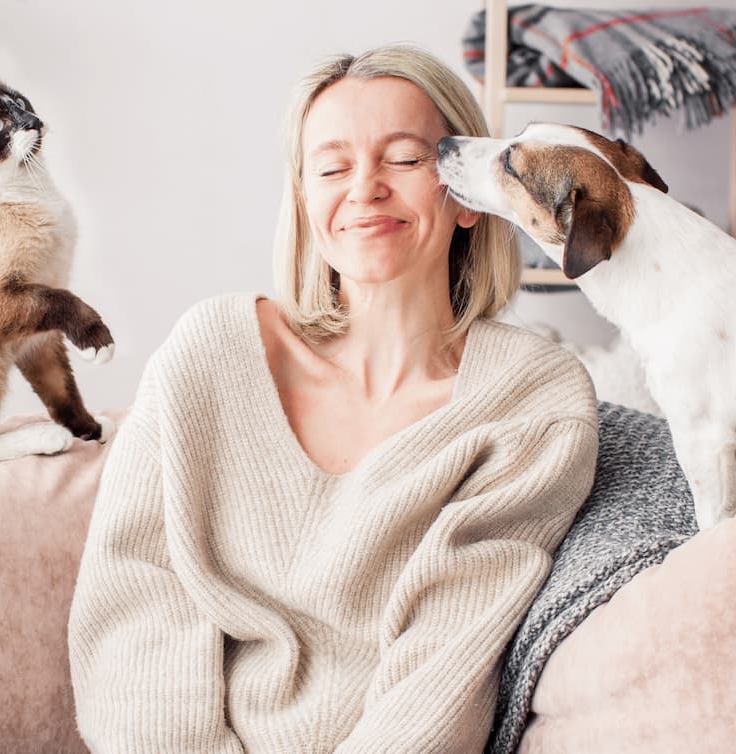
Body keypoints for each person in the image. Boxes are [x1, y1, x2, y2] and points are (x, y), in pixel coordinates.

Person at [68, 44, 598, 753]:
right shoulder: (210, 354)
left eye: (406, 160)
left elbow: (445, 672)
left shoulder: (531, 402)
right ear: (304, 200)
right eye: (332, 166)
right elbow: (136, 612)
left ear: (467, 194)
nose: (366, 188)